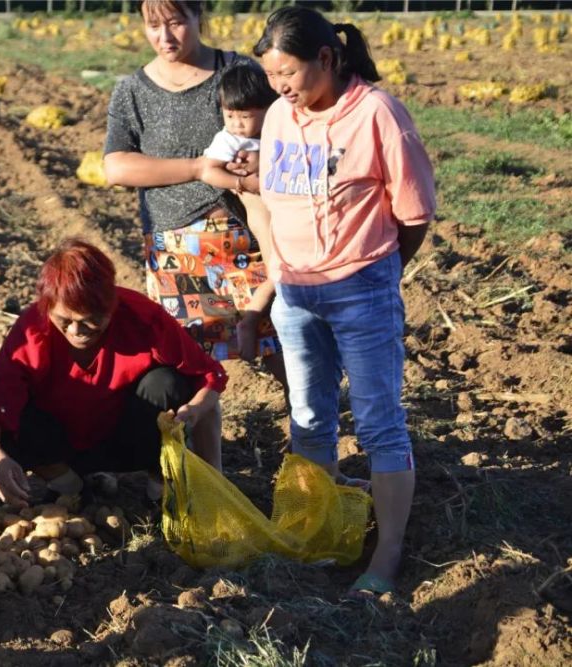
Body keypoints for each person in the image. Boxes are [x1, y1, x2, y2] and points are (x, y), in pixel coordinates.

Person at [252, 6, 436, 597]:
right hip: (295, 294)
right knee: (309, 421)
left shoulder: (377, 113)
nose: (280, 87)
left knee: (379, 423)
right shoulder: (279, 116)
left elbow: (414, 214)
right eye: (272, 76)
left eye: (289, 73)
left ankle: (387, 554)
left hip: (362, 289)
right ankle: (322, 532)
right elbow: (276, 199)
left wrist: (381, 269)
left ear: (327, 58)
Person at [103, 0, 285, 390]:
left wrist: (261, 161)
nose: (165, 37)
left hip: (245, 234)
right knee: (187, 363)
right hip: (175, 245)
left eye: (176, 22)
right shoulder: (132, 91)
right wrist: (198, 168)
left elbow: (282, 126)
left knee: (281, 343)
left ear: (198, 14)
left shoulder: (237, 71)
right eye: (153, 26)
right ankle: (200, 431)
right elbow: (116, 167)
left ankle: (313, 423)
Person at [0, 238, 227, 508]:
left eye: (90, 320)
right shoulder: (32, 330)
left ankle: (159, 491)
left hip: (127, 441)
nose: (76, 331)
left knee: (167, 383)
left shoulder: (140, 316)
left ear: (111, 304)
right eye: (64, 321)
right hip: (60, 447)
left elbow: (209, 376)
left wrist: (194, 411)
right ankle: (68, 486)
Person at [197, 62, 280, 361]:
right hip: (263, 216)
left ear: (267, 108)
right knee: (280, 271)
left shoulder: (276, 127)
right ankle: (250, 320)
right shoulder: (229, 139)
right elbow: (209, 171)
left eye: (245, 116)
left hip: (286, 213)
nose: (236, 124)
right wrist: (242, 182)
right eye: (229, 115)